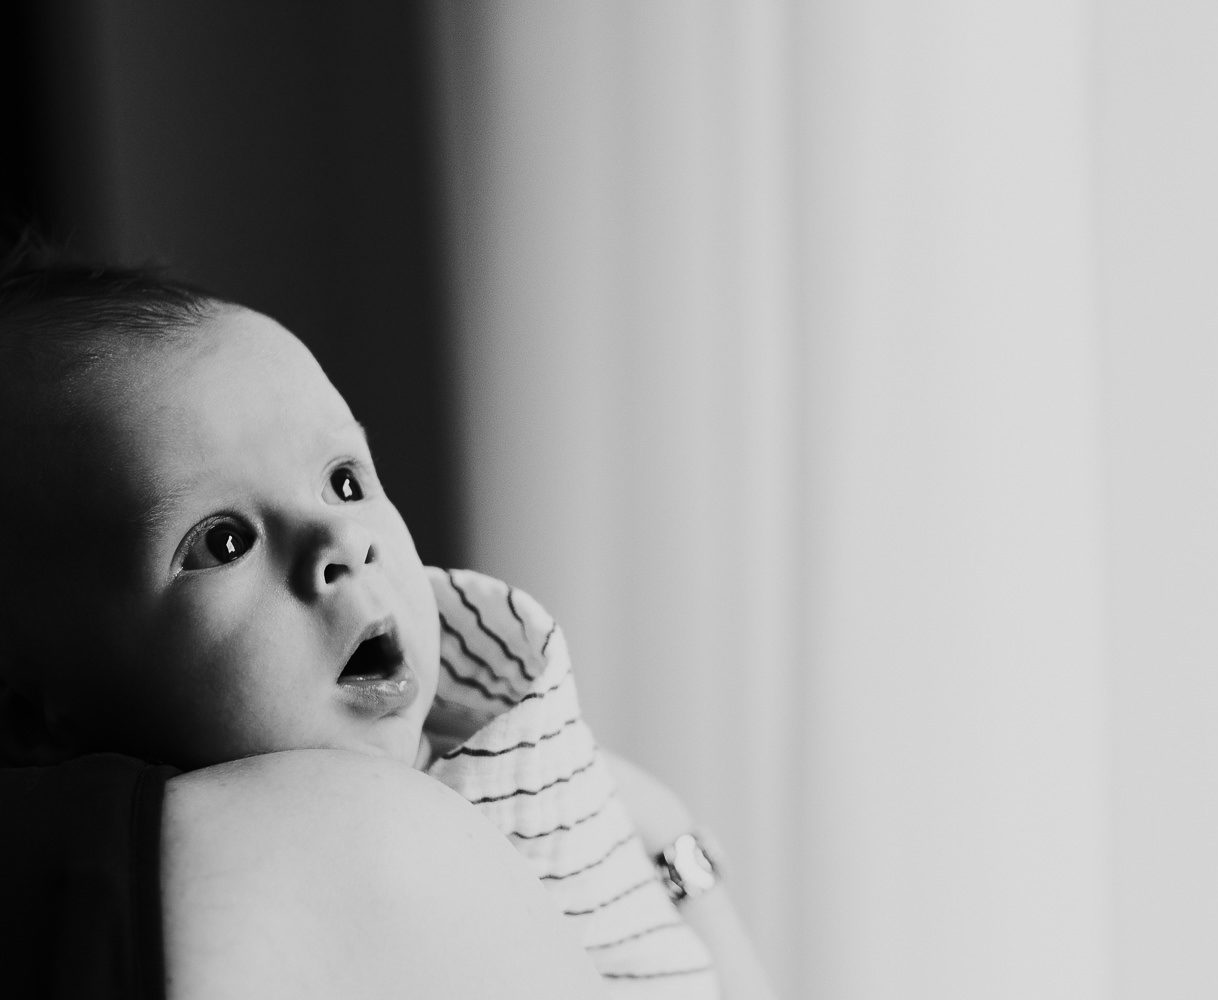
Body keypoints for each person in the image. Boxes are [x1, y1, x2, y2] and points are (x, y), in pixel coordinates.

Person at [0, 257, 776, 999]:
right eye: (224, 541)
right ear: (44, 718)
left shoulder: (524, 744)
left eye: (344, 481)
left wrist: (666, 835)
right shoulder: (224, 892)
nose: (341, 541)